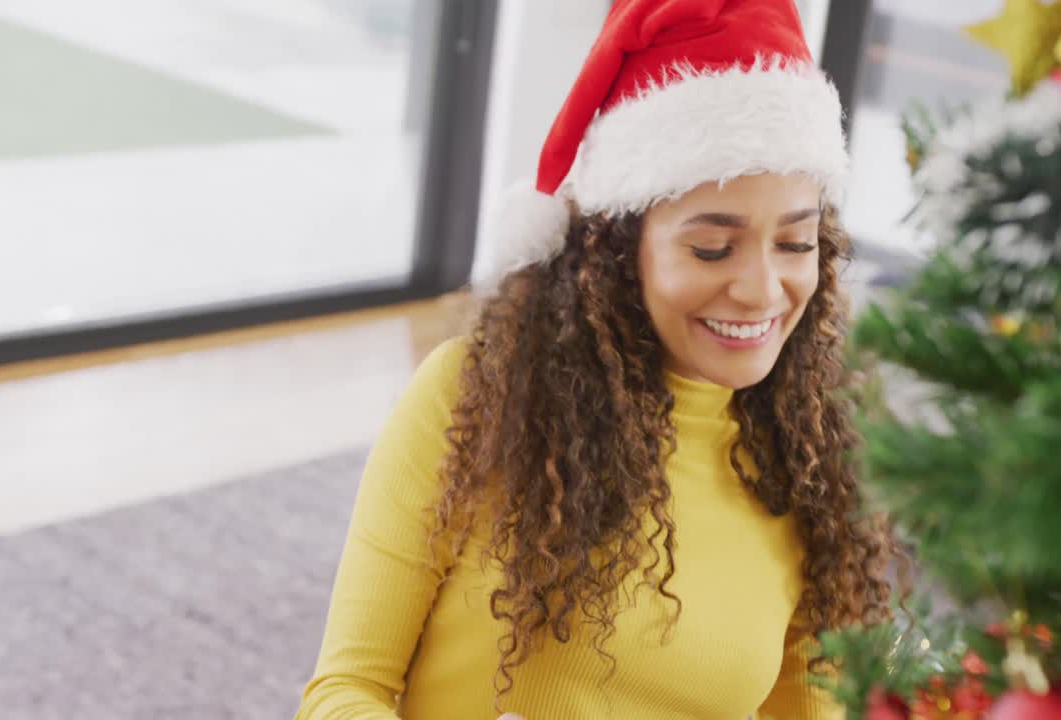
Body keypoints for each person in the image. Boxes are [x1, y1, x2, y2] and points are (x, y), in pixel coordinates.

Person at [295, 0, 899, 717]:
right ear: (616, 252)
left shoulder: (817, 463)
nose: (764, 289)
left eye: (797, 243)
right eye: (712, 248)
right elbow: (346, 690)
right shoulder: (473, 396)